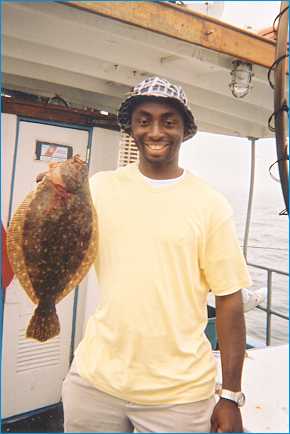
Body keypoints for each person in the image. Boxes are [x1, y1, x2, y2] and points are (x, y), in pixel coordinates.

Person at [61, 77, 252, 433]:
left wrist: (231, 395)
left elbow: (228, 300)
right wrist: (52, 188)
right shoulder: (99, 188)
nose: (155, 131)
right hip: (93, 380)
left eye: (168, 120)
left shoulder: (210, 205)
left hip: (178, 395)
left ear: (185, 129)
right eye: (144, 119)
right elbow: (59, 226)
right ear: (131, 127)